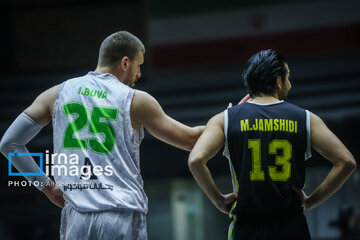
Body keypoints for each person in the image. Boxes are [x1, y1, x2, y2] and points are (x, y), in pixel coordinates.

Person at [0, 31, 204, 240]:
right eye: (138, 65)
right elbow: (190, 139)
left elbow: (9, 144)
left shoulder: (57, 93)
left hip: (77, 221)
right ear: (125, 63)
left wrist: (46, 186)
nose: (139, 73)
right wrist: (229, 118)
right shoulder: (135, 100)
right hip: (120, 216)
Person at [188, 49, 357, 240]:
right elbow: (347, 162)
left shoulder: (225, 119)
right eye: (288, 78)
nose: (290, 84)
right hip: (292, 227)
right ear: (278, 81)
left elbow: (195, 160)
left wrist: (218, 199)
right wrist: (311, 201)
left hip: (248, 228)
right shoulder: (305, 118)